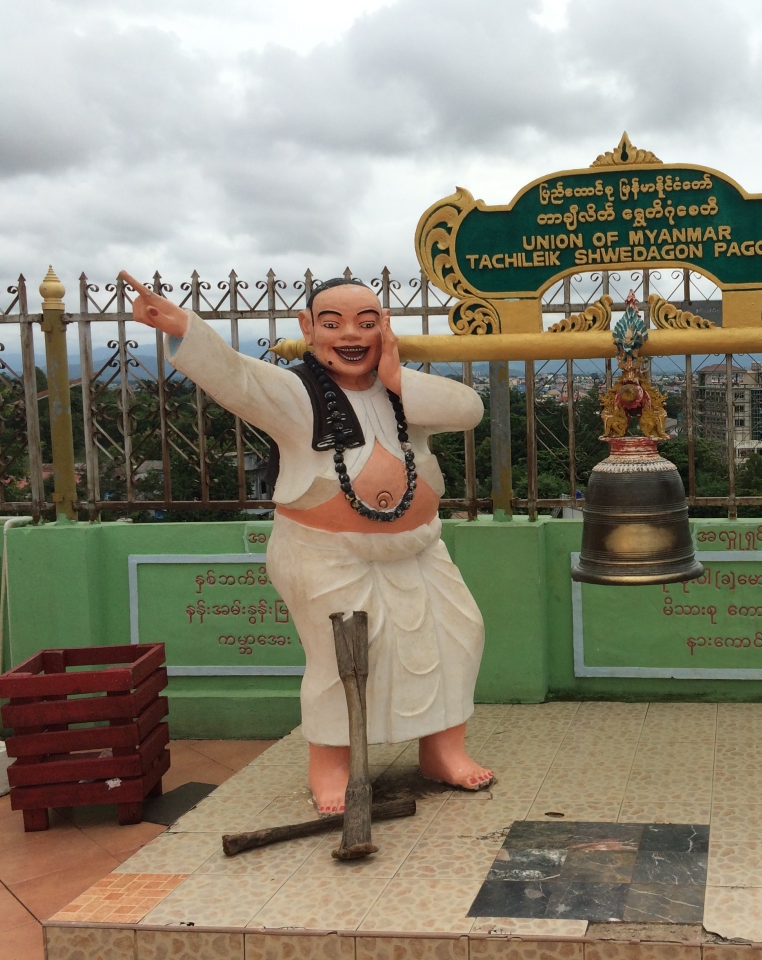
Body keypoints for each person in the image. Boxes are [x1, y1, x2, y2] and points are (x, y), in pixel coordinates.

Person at [120, 270, 494, 813]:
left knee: (457, 634)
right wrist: (184, 326)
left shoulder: (403, 393)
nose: (351, 335)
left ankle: (442, 750)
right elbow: (236, 377)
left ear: (385, 327)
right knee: (343, 654)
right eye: (333, 323)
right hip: (325, 551)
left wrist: (396, 376)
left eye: (366, 322)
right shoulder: (295, 393)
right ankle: (331, 765)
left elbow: (469, 409)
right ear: (307, 327)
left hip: (418, 547)